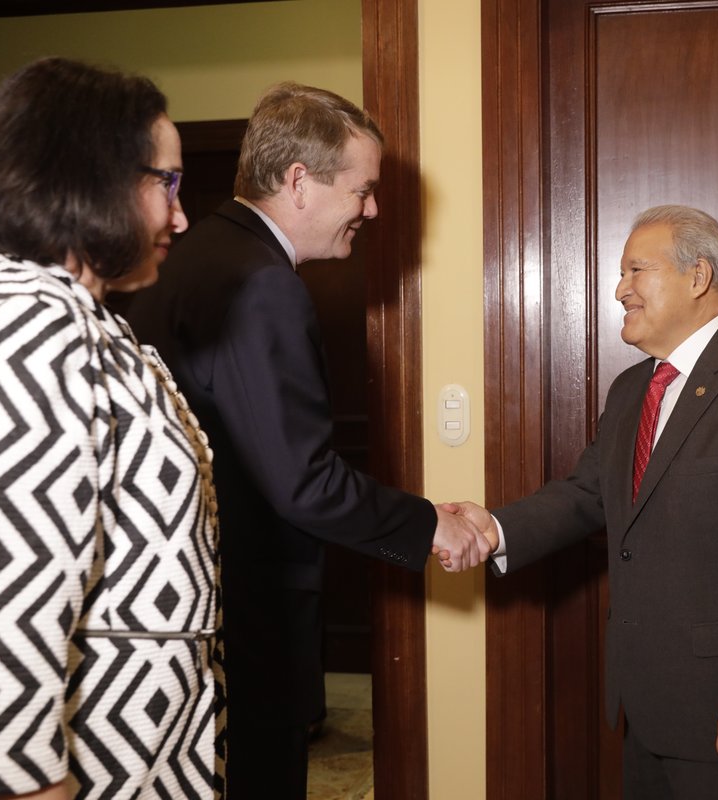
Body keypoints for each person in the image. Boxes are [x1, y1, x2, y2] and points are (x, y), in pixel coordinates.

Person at [119, 82, 488, 799]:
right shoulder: (262, 284)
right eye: (363, 191)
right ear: (299, 182)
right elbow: (304, 482)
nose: (373, 210)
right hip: (248, 616)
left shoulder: (189, 260)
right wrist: (429, 524)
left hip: (184, 610)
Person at [447, 205, 718, 799]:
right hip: (645, 706)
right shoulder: (634, 388)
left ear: (698, 276)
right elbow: (586, 495)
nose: (619, 289)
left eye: (636, 271)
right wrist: (494, 530)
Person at [0, 57, 222, 799]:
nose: (181, 215)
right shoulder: (17, 327)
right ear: (94, 177)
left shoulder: (74, 319)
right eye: (167, 183)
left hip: (145, 753)